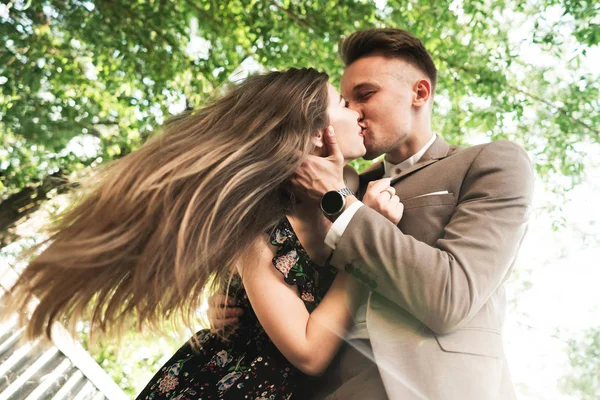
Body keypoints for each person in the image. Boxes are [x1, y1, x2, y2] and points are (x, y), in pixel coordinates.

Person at [5, 68, 402, 399]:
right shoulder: (262, 231)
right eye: (344, 105)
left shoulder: (351, 186)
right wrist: (364, 249)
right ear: (318, 133)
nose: (358, 114)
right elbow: (310, 352)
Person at [209, 28, 534, 399]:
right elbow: (283, 260)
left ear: (419, 92)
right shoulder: (336, 183)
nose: (353, 113)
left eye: (365, 95)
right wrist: (238, 305)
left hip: (437, 386)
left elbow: (452, 296)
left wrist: (344, 206)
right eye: (344, 103)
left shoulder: (490, 162)